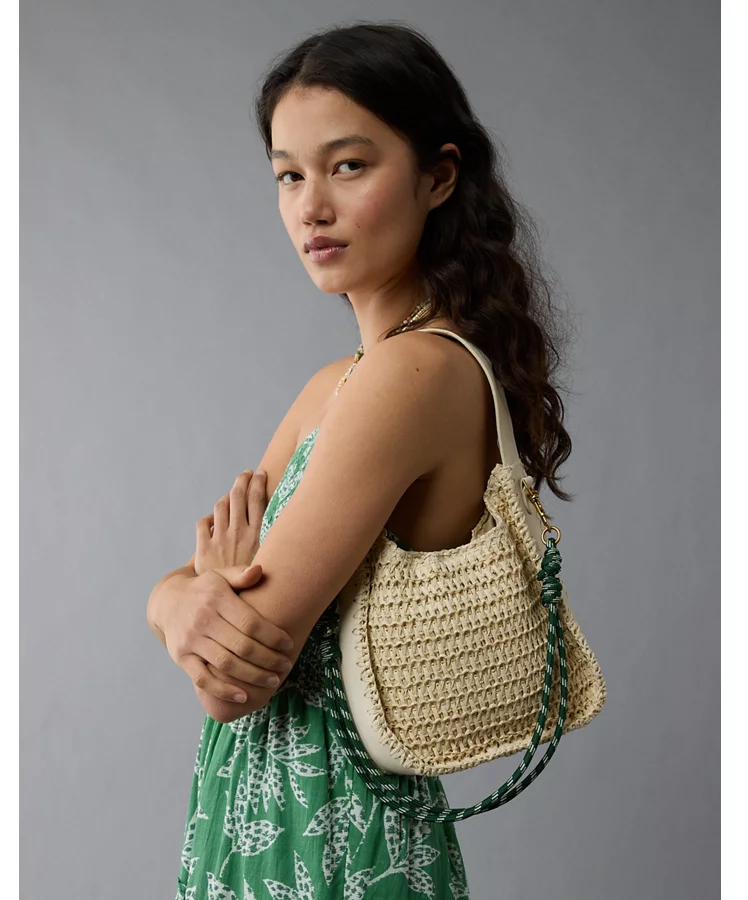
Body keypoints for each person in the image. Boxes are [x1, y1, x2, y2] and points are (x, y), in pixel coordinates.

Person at [146, 20, 575, 899]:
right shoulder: (338, 382)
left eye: (348, 166)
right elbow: (194, 600)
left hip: (330, 832)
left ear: (439, 177)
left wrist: (201, 596)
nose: (311, 207)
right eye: (289, 175)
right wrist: (175, 598)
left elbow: (232, 684)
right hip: (274, 811)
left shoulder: (410, 375)